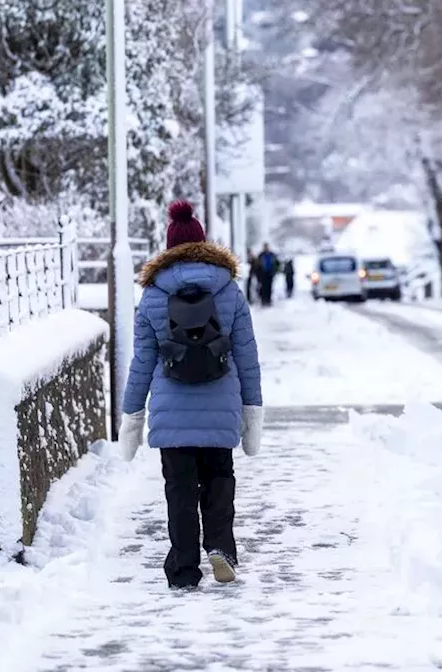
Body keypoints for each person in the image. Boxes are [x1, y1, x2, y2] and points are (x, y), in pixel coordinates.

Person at [118, 200, 264, 590]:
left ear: (167, 250)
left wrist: (132, 416)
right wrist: (252, 411)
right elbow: (247, 357)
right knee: (219, 481)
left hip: (171, 412)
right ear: (203, 244)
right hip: (220, 407)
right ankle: (220, 547)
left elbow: (142, 363)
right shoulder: (229, 292)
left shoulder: (152, 297)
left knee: (179, 490)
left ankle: (183, 568)